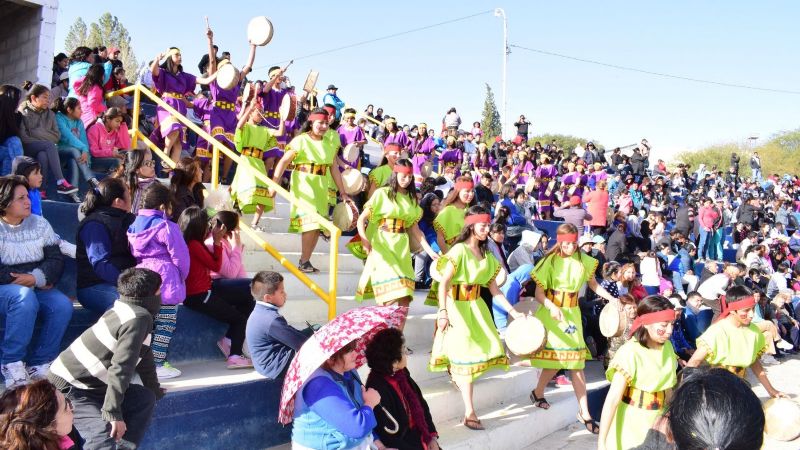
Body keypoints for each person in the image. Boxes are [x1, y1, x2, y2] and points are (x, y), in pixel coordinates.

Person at [49, 267, 164, 450]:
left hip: (94, 384)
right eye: (160, 291)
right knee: (102, 437)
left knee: (144, 398)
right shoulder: (137, 318)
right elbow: (121, 368)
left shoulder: (125, 307)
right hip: (72, 385)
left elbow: (144, 354)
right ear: (149, 296)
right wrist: (112, 412)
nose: (161, 296)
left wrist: (154, 389)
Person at [429, 206, 523, 430]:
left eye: (488, 225)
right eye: (483, 225)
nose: (487, 229)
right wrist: (442, 311)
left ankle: (461, 386)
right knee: (465, 357)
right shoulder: (459, 251)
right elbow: (444, 283)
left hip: (477, 308)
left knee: (471, 355)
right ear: (471, 226)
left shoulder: (488, 255)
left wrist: (514, 312)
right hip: (456, 308)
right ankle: (470, 411)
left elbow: (495, 290)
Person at [526, 223, 618, 434]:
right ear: (559, 242)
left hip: (572, 313)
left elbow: (593, 285)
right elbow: (539, 294)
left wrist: (612, 298)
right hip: (552, 313)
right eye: (566, 244)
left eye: (573, 243)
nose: (570, 247)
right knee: (559, 359)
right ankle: (539, 392)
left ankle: (583, 412)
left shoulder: (584, 261)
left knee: (575, 363)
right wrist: (551, 307)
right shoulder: (549, 261)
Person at [0, 175, 72, 388]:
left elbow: (55, 258)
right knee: (24, 298)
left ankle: (40, 363)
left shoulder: (40, 224)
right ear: (4, 202)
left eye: (27, 196)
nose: (28, 202)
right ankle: (11, 362)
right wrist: (21, 280)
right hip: (6, 288)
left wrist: (36, 278)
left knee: (61, 305)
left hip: (35, 283)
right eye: (21, 198)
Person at [271, 109, 350, 273]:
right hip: (304, 182)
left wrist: (343, 193)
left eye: (326, 124)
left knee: (316, 226)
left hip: (321, 184)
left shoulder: (329, 143)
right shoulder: (301, 140)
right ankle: (304, 261)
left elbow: (334, 168)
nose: (323, 126)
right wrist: (274, 183)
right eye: (320, 123)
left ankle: (305, 260)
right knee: (311, 222)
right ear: (311, 122)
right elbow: (283, 162)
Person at [356, 159, 438, 310]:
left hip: (402, 245)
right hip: (383, 243)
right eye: (403, 177)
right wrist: (364, 240)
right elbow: (361, 219)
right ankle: (382, 328)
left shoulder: (412, 199)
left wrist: (430, 251)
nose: (407, 180)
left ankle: (396, 333)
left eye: (410, 177)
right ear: (395, 174)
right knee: (389, 294)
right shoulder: (382, 193)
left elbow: (415, 230)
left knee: (406, 296)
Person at [178, 206, 254, 369]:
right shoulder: (194, 245)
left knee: (247, 297)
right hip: (200, 295)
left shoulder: (191, 243)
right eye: (206, 224)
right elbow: (216, 264)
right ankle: (234, 355)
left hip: (201, 292)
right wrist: (219, 242)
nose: (209, 227)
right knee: (239, 319)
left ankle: (230, 344)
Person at [127, 182, 190, 379]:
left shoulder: (133, 226)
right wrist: (182, 276)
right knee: (165, 324)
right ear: (163, 207)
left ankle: (140, 362)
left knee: (146, 325)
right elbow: (181, 257)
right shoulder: (167, 226)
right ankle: (158, 364)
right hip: (166, 278)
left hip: (142, 276)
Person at [598, 295, 678, 450]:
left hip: (658, 423)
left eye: (672, 325)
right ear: (646, 323)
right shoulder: (630, 352)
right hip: (632, 423)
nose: (669, 331)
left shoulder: (668, 347)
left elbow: (668, 390)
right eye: (664, 325)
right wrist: (602, 442)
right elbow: (613, 399)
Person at [687, 285, 786, 398]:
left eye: (753, 309)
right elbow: (694, 362)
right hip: (717, 389)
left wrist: (771, 390)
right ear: (733, 310)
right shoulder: (717, 331)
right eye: (746, 310)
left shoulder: (753, 330)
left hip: (741, 385)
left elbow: (754, 361)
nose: (751, 315)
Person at [291, 339, 380, 449]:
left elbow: (360, 411)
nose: (355, 354)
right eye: (349, 351)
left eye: (354, 349)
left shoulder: (350, 372)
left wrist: (378, 443)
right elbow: (357, 427)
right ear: (330, 357)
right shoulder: (319, 386)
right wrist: (370, 403)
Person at [365, 328, 440, 450]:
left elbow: (421, 404)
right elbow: (389, 434)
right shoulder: (377, 387)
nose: (406, 353)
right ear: (394, 362)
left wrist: (431, 437)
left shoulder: (402, 373)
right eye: (403, 350)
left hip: (420, 436)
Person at [76, 177, 136, 315]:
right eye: (128, 193)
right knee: (126, 304)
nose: (131, 197)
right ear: (118, 202)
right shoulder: (94, 224)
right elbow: (100, 264)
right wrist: (128, 284)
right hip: (94, 285)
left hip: (122, 280)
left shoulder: (129, 219)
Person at [150, 47, 213, 164]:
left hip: (180, 107)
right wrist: (157, 59)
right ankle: (165, 154)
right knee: (173, 128)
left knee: (179, 142)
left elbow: (206, 81)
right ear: (170, 57)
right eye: (177, 54)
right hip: (167, 105)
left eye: (180, 54)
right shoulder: (163, 72)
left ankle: (171, 169)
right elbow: (153, 71)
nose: (180, 57)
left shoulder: (184, 75)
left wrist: (219, 73)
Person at [246, 271, 311, 379]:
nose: (285, 294)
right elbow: (300, 343)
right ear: (268, 298)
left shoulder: (259, 312)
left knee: (314, 330)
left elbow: (290, 333)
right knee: (318, 348)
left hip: (264, 364)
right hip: (275, 366)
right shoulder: (271, 320)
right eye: (281, 292)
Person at [18, 84, 77, 195]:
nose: (48, 100)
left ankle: (41, 190)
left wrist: (36, 132)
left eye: (49, 97)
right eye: (45, 97)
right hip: (27, 147)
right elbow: (24, 137)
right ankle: (60, 181)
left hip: (43, 148)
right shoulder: (23, 111)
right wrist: (44, 135)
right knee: (49, 145)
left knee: (43, 156)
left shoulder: (50, 114)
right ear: (33, 98)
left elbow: (56, 136)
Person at [231, 93, 278, 230]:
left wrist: (282, 118)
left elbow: (280, 132)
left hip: (259, 163)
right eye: (259, 112)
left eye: (263, 112)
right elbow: (239, 126)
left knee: (263, 194)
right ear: (251, 113)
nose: (262, 114)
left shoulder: (264, 129)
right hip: (246, 160)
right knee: (248, 185)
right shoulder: (246, 127)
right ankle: (236, 205)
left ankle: (254, 224)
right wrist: (249, 107)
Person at [0, 379, 82, 450]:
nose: (72, 408)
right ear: (47, 426)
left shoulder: (63, 438)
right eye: (65, 408)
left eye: (67, 401)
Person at [54, 97, 99, 192]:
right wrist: (83, 148)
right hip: (59, 151)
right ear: (69, 110)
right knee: (74, 150)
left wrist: (87, 159)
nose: (81, 111)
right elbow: (69, 137)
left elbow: (84, 141)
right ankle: (90, 178)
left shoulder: (79, 122)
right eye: (79, 108)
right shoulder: (59, 118)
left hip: (75, 155)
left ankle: (73, 192)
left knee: (73, 160)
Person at [86, 107, 130, 174]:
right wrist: (111, 153)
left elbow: (124, 145)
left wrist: (123, 125)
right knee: (116, 162)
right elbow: (94, 152)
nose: (118, 124)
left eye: (120, 122)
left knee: (128, 154)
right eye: (117, 121)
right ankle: (110, 182)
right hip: (94, 161)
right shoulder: (94, 129)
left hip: (109, 157)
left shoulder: (114, 131)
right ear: (108, 119)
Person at [115, 149, 156, 214]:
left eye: (152, 162)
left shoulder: (156, 187)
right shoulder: (123, 186)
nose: (153, 166)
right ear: (136, 169)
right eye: (148, 163)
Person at [73, 64, 106, 128]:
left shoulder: (84, 86)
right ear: (100, 75)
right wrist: (104, 108)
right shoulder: (95, 86)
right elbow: (92, 102)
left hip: (83, 118)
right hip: (92, 117)